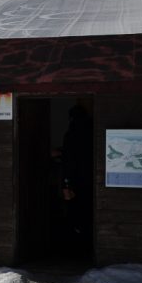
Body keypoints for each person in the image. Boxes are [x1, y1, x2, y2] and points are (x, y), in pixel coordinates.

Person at [60, 104, 93, 253]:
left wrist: (66, 183)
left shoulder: (72, 134)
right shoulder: (92, 131)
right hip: (90, 177)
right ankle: (86, 243)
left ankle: (76, 245)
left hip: (74, 178)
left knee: (74, 211)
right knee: (87, 209)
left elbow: (69, 159)